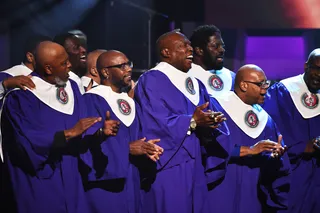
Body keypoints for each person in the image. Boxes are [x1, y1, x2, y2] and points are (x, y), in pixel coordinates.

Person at [0, 41, 117, 213]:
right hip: (41, 180)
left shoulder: (73, 89)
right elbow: (26, 142)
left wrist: (101, 133)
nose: (70, 65)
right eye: (63, 63)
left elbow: (83, 133)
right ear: (48, 68)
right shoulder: (21, 96)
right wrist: (68, 134)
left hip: (73, 177)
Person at [134, 30, 230, 213]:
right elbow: (155, 123)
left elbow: (204, 119)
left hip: (196, 164)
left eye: (189, 45)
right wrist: (192, 121)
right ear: (166, 53)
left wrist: (211, 123)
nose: (190, 49)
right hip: (170, 165)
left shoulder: (196, 83)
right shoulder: (152, 79)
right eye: (183, 46)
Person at [79, 50, 163, 213]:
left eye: (128, 64)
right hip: (106, 182)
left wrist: (147, 148)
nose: (129, 69)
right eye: (121, 66)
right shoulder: (92, 99)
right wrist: (126, 148)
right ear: (105, 72)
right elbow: (87, 141)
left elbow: (137, 139)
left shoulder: (130, 102)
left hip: (132, 179)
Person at [204, 64, 290, 213]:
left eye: (266, 83)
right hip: (221, 189)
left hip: (252, 193)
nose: (265, 89)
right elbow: (205, 148)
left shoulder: (266, 120)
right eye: (260, 84)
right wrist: (247, 151)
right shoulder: (217, 107)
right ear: (243, 85)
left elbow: (273, 165)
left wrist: (275, 157)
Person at [263, 49, 320, 213]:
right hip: (292, 172)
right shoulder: (282, 91)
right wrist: (302, 147)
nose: (319, 75)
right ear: (306, 66)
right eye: (316, 68)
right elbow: (270, 131)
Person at [188, 25, 235, 97]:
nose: (222, 50)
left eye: (222, 46)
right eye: (215, 46)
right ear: (199, 50)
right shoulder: (186, 75)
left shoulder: (231, 78)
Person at [0, 35, 51, 100]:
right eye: (47, 55)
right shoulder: (7, 76)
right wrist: (5, 84)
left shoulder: (51, 76)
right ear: (30, 57)